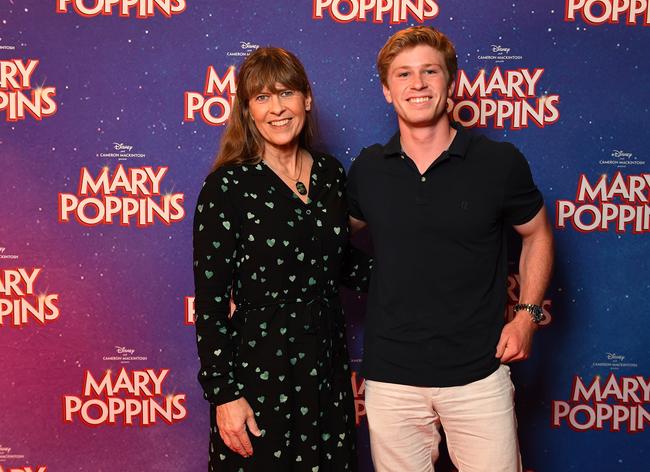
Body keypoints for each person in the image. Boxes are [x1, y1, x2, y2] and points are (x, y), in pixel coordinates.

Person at [347, 26, 554, 472]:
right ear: (387, 90)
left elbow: (537, 233)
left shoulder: (498, 163)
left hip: (478, 373)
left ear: (450, 82)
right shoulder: (368, 169)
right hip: (391, 378)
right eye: (402, 75)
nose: (416, 84)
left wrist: (527, 316)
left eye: (429, 71)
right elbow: (321, 241)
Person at [193, 47, 367, 471]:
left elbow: (338, 263)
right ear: (247, 110)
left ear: (306, 98)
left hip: (326, 367)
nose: (277, 109)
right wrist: (225, 395)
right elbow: (211, 303)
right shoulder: (227, 187)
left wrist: (423, 272)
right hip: (260, 370)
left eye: (286, 94)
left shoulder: (330, 173)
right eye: (262, 98)